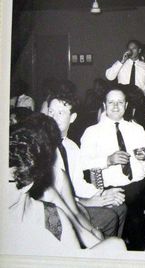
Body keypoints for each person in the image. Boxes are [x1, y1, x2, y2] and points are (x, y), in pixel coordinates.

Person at [8, 124, 125, 251]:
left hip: (77, 209)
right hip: (80, 206)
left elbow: (76, 223)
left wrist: (93, 232)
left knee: (116, 243)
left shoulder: (49, 212)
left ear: (26, 184)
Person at [80, 85, 145, 250]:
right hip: (116, 189)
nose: (115, 106)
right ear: (104, 105)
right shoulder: (92, 132)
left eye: (120, 102)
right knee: (135, 223)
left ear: (126, 106)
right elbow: (83, 163)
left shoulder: (136, 129)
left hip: (142, 184)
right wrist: (108, 160)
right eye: (111, 102)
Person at [47, 92, 127, 238]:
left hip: (75, 201)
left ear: (72, 118)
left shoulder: (71, 147)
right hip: (56, 208)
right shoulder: (42, 147)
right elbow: (51, 195)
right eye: (50, 112)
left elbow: (77, 184)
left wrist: (102, 194)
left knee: (120, 207)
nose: (53, 117)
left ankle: (113, 252)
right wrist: (87, 202)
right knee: (108, 217)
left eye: (60, 112)